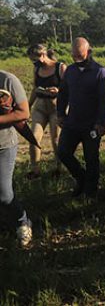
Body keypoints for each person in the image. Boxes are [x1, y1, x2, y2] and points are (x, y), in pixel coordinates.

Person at [56, 38, 105, 198]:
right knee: (63, 152)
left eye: (80, 55)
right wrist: (60, 113)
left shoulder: (100, 72)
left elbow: (104, 100)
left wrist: (101, 122)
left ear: (89, 52)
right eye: (74, 56)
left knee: (91, 157)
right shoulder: (70, 71)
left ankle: (90, 190)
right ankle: (82, 178)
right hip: (72, 122)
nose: (77, 59)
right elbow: (63, 93)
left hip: (92, 124)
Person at [0, 71, 33, 247]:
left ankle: (23, 221)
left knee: (4, 194)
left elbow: (23, 113)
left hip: (3, 145)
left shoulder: (7, 80)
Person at [26, 44, 66, 178]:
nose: (34, 63)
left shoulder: (60, 67)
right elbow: (34, 88)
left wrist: (58, 91)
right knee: (33, 137)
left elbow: (70, 88)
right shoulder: (37, 69)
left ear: (43, 55)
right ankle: (35, 169)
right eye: (32, 61)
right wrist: (28, 106)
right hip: (40, 107)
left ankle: (59, 168)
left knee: (56, 139)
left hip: (57, 107)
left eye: (36, 60)